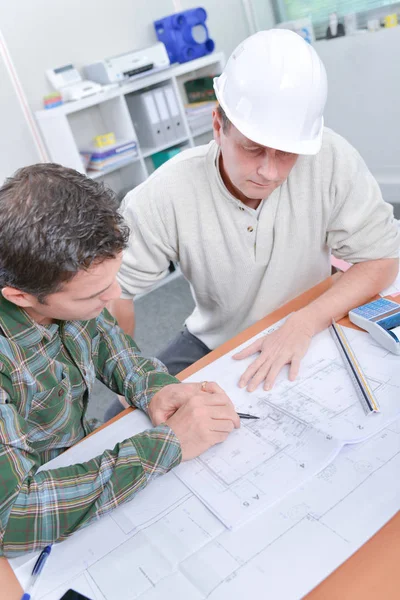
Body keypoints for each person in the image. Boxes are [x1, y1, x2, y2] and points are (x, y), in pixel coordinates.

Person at [112, 29, 399, 391]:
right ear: (218, 126)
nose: (270, 172)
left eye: (286, 153)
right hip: (215, 338)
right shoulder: (166, 191)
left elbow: (382, 258)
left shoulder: (329, 156)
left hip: (312, 312)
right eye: (252, 149)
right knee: (120, 422)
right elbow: (115, 291)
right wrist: (129, 378)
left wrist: (305, 320)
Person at [0, 164, 239, 557]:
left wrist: (155, 390)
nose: (114, 296)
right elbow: (12, 519)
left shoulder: (76, 291)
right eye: (92, 294)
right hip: (37, 499)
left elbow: (110, 344)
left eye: (115, 278)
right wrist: (168, 444)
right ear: (21, 297)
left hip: (80, 456)